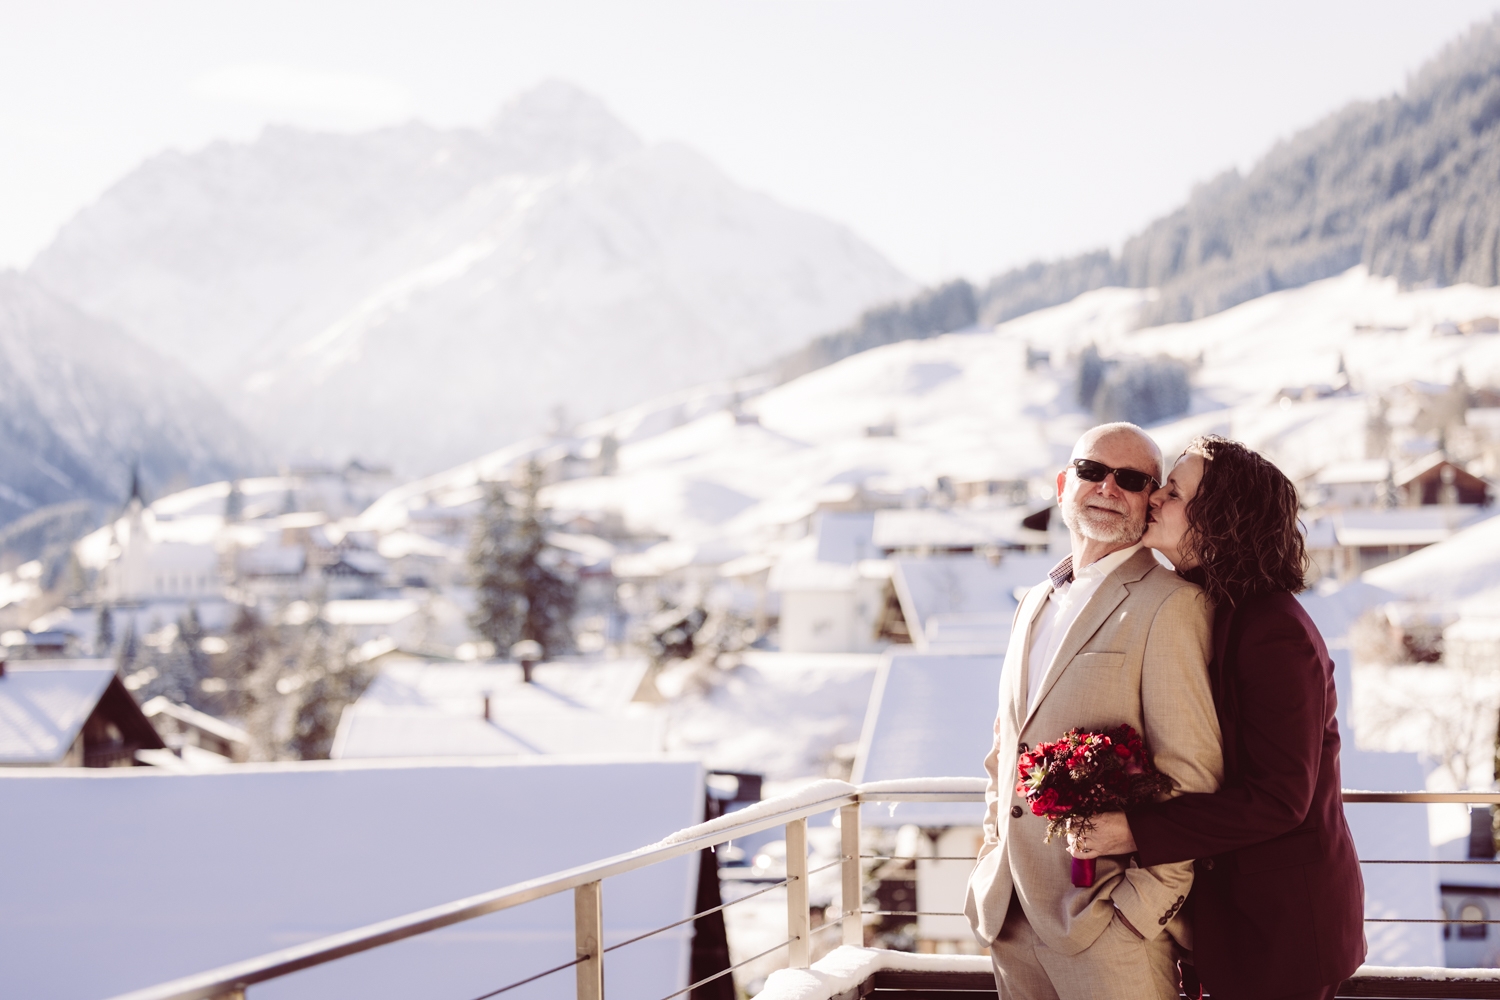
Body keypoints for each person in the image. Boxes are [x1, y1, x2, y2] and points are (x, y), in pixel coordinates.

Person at [1068, 435, 1365, 1000]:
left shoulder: (1272, 630)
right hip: (1238, 919)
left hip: (1281, 928)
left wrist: (1132, 830)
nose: (1154, 498)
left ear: (1220, 518)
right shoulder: (1220, 607)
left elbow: (1281, 798)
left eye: (1173, 492)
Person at [964, 422, 1223, 1000]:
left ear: (1152, 500)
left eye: (1131, 479)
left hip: (1109, 933)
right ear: (1063, 484)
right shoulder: (1033, 601)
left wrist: (1136, 915)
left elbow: (1195, 778)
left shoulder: (1173, 606)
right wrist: (989, 862)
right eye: (1091, 470)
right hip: (1008, 917)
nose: (1108, 486)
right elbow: (1006, 749)